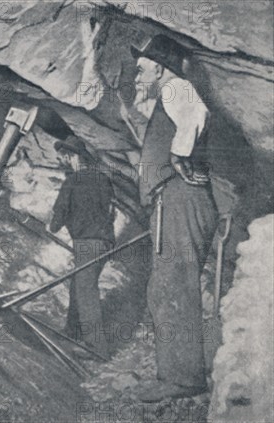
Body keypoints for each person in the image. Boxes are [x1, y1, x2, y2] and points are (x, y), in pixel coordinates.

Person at [131, 34, 218, 402]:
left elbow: (196, 114)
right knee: (166, 285)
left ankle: (183, 379)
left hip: (179, 200)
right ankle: (178, 373)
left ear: (161, 67)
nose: (136, 75)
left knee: (172, 285)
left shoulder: (177, 87)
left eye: (141, 68)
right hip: (175, 200)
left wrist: (179, 156)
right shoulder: (165, 94)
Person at [48, 136, 114, 357]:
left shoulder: (72, 181)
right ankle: (72, 330)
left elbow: (59, 213)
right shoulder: (103, 179)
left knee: (86, 291)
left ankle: (98, 348)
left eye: (65, 157)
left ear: (73, 157)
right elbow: (109, 210)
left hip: (87, 242)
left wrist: (53, 227)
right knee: (79, 283)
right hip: (105, 243)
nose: (64, 162)